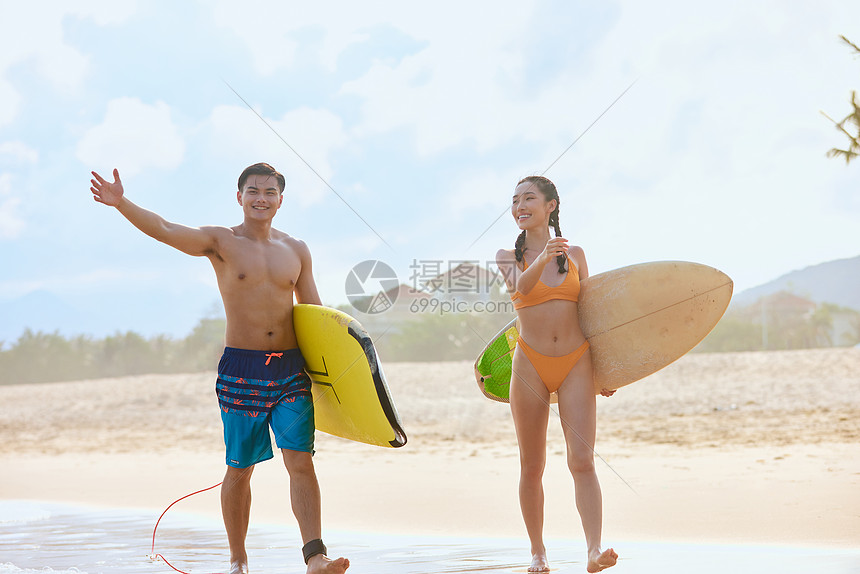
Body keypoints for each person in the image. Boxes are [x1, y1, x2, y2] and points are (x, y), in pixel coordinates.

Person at [89, 163, 349, 574]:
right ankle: (238, 560)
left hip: (290, 369)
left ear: (281, 200)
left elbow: (315, 314)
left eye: (269, 192)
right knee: (240, 469)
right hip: (241, 371)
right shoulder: (221, 242)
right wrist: (122, 203)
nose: (261, 198)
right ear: (240, 197)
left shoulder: (296, 250)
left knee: (301, 461)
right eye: (253, 191)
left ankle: (315, 557)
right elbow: (165, 228)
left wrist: (336, 371)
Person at [495, 175, 618, 573]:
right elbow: (522, 293)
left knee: (582, 460)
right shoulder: (506, 256)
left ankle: (594, 550)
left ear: (550, 206)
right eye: (514, 201)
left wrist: (609, 370)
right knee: (532, 466)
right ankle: (538, 552)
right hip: (529, 363)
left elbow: (593, 313)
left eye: (528, 198)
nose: (519, 206)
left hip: (576, 361)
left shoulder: (576, 253)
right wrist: (544, 257)